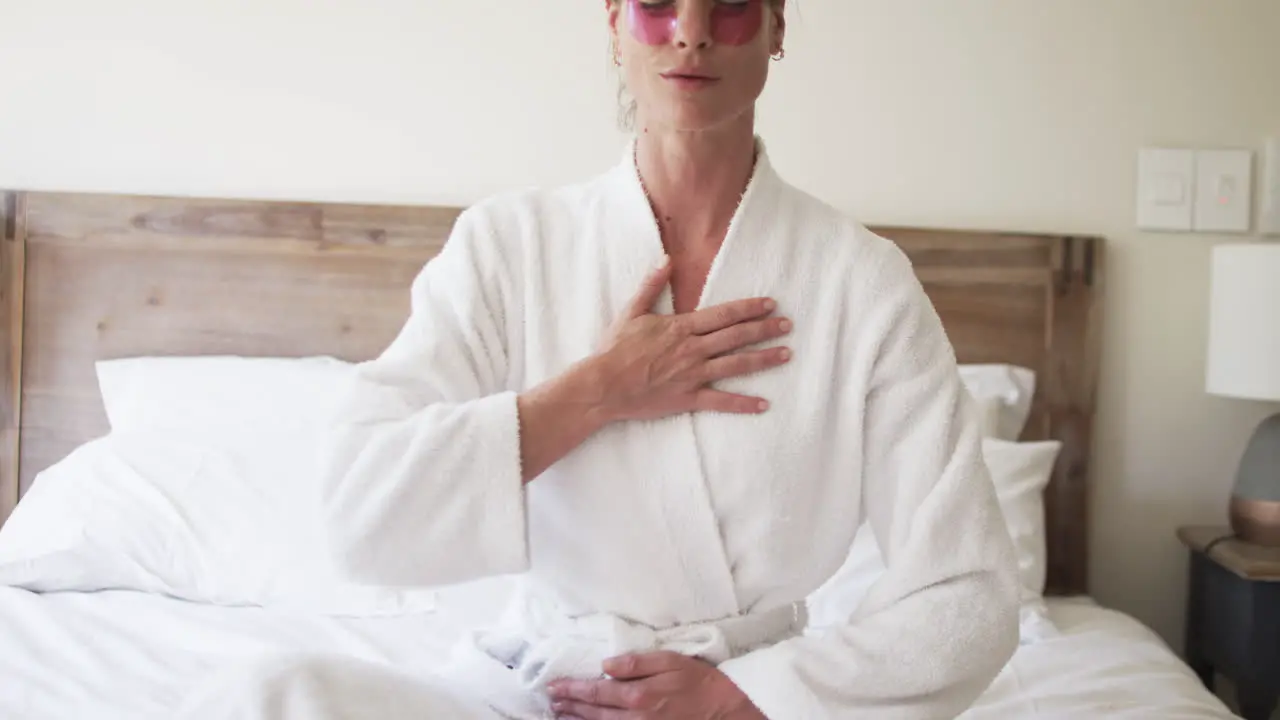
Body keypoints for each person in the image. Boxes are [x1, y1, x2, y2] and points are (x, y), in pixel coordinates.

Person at [179, 1, 1021, 718]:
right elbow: (361, 514)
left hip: (739, 701)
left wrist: (740, 694)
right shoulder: (510, 245)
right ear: (614, 19)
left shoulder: (861, 282)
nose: (690, 34)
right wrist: (596, 392)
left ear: (776, 27)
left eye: (728, 4)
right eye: (656, 2)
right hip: (539, 687)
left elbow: (969, 595)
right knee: (269, 690)